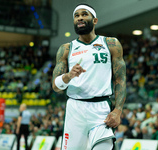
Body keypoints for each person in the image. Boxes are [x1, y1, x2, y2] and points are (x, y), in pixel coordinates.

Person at [52, 3, 126, 150]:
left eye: (84, 14)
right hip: (75, 109)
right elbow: (56, 87)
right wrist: (68, 76)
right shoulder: (66, 49)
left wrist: (118, 110)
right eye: (76, 15)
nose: (79, 18)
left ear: (95, 20)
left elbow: (120, 79)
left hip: (101, 109)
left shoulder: (111, 43)